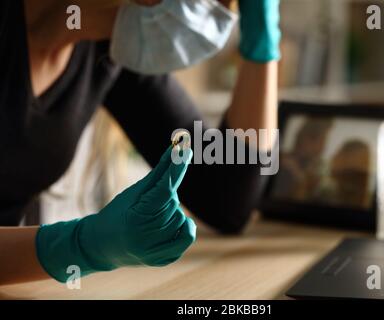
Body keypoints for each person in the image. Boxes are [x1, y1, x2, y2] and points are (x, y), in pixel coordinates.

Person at [0, 0, 280, 285]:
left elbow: (226, 197)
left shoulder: (106, 49)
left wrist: (262, 45)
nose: (206, 14)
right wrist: (77, 246)